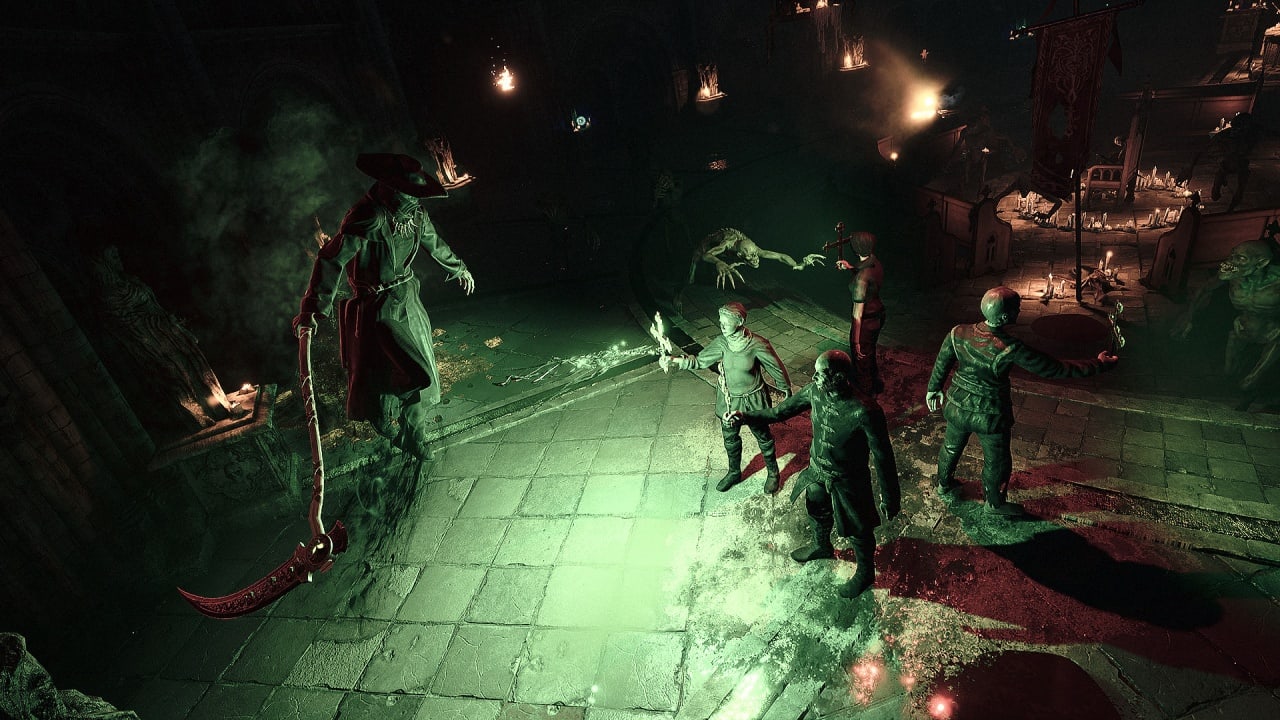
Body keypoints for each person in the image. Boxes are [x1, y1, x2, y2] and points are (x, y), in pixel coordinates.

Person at [293, 153, 476, 462]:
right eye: (409, 193)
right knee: (381, 379)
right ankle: (388, 427)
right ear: (391, 188)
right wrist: (312, 309)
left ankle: (414, 434)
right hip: (377, 309)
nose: (415, 200)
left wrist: (459, 268)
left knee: (421, 374)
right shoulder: (368, 216)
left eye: (417, 194)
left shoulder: (415, 214)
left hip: (408, 300)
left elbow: (433, 242)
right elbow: (331, 259)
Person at [926, 287, 1119, 516]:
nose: (1019, 311)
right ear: (1004, 317)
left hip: (957, 405)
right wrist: (1099, 364)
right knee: (997, 461)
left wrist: (933, 389)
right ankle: (994, 504)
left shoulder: (958, 333)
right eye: (1016, 308)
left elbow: (942, 362)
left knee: (950, 447)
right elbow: (1054, 368)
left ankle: (944, 484)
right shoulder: (1011, 347)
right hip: (990, 415)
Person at [727, 350, 900, 599]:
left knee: (858, 528)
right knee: (816, 508)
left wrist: (890, 497)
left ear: (838, 377)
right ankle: (821, 545)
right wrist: (745, 417)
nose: (814, 377)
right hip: (817, 471)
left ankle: (866, 572)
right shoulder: (814, 392)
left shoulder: (865, 411)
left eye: (820, 374)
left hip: (848, 481)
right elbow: (779, 412)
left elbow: (883, 456)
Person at [662, 302, 791, 493]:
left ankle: (773, 473)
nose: (721, 325)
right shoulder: (721, 343)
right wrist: (676, 361)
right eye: (720, 321)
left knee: (763, 437)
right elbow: (700, 361)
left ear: (740, 321)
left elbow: (776, 368)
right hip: (730, 401)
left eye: (726, 322)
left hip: (753, 399)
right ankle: (734, 472)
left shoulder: (757, 344)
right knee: (730, 438)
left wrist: (785, 390)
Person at [1172, 237, 1280, 407]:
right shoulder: (1234, 277)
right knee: (1228, 375)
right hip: (1241, 329)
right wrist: (1189, 317)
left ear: (1261, 263)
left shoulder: (1276, 281)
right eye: (1232, 255)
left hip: (1272, 333)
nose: (1232, 261)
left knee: (1248, 382)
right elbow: (1205, 289)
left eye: (1241, 258)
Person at [835, 231, 885, 395]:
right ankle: (876, 383)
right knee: (869, 352)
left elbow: (857, 315)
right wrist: (850, 268)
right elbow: (865, 274)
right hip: (878, 314)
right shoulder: (874, 261)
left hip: (867, 322)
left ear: (856, 249)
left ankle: (866, 395)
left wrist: (856, 342)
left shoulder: (861, 279)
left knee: (861, 359)